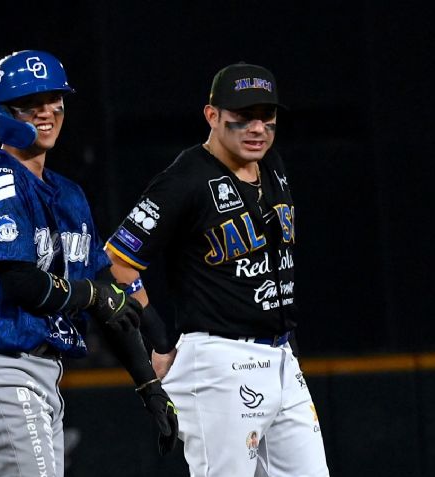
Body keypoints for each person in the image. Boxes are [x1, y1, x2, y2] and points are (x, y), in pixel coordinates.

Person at [0, 50, 178, 477]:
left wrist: (148, 384)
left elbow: (109, 290)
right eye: (32, 103)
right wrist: (96, 295)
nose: (47, 112)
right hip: (0, 364)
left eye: (54, 99)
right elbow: (21, 282)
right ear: (3, 111)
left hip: (40, 371)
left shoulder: (68, 194)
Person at [105, 62, 330, 476]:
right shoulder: (185, 178)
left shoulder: (273, 165)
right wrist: (158, 339)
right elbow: (119, 260)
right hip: (221, 358)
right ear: (212, 116)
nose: (256, 128)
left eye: (267, 118)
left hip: (281, 355)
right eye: (242, 119)